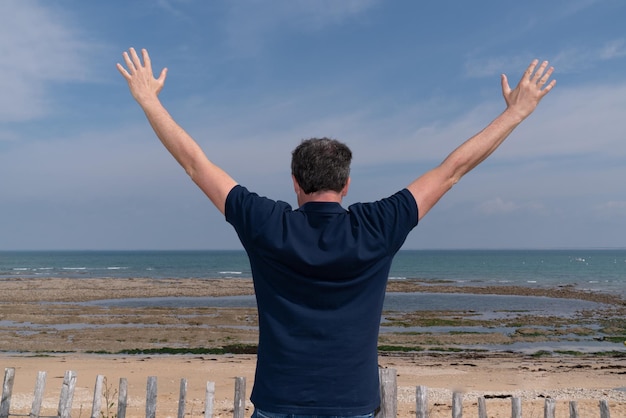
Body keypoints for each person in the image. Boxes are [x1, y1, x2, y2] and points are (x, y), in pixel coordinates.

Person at [117, 48, 555, 417]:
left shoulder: (266, 222)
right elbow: (451, 171)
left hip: (278, 402)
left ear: (294, 181)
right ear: (346, 184)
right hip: (353, 404)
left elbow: (196, 166)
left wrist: (149, 102)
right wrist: (516, 112)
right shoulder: (378, 225)